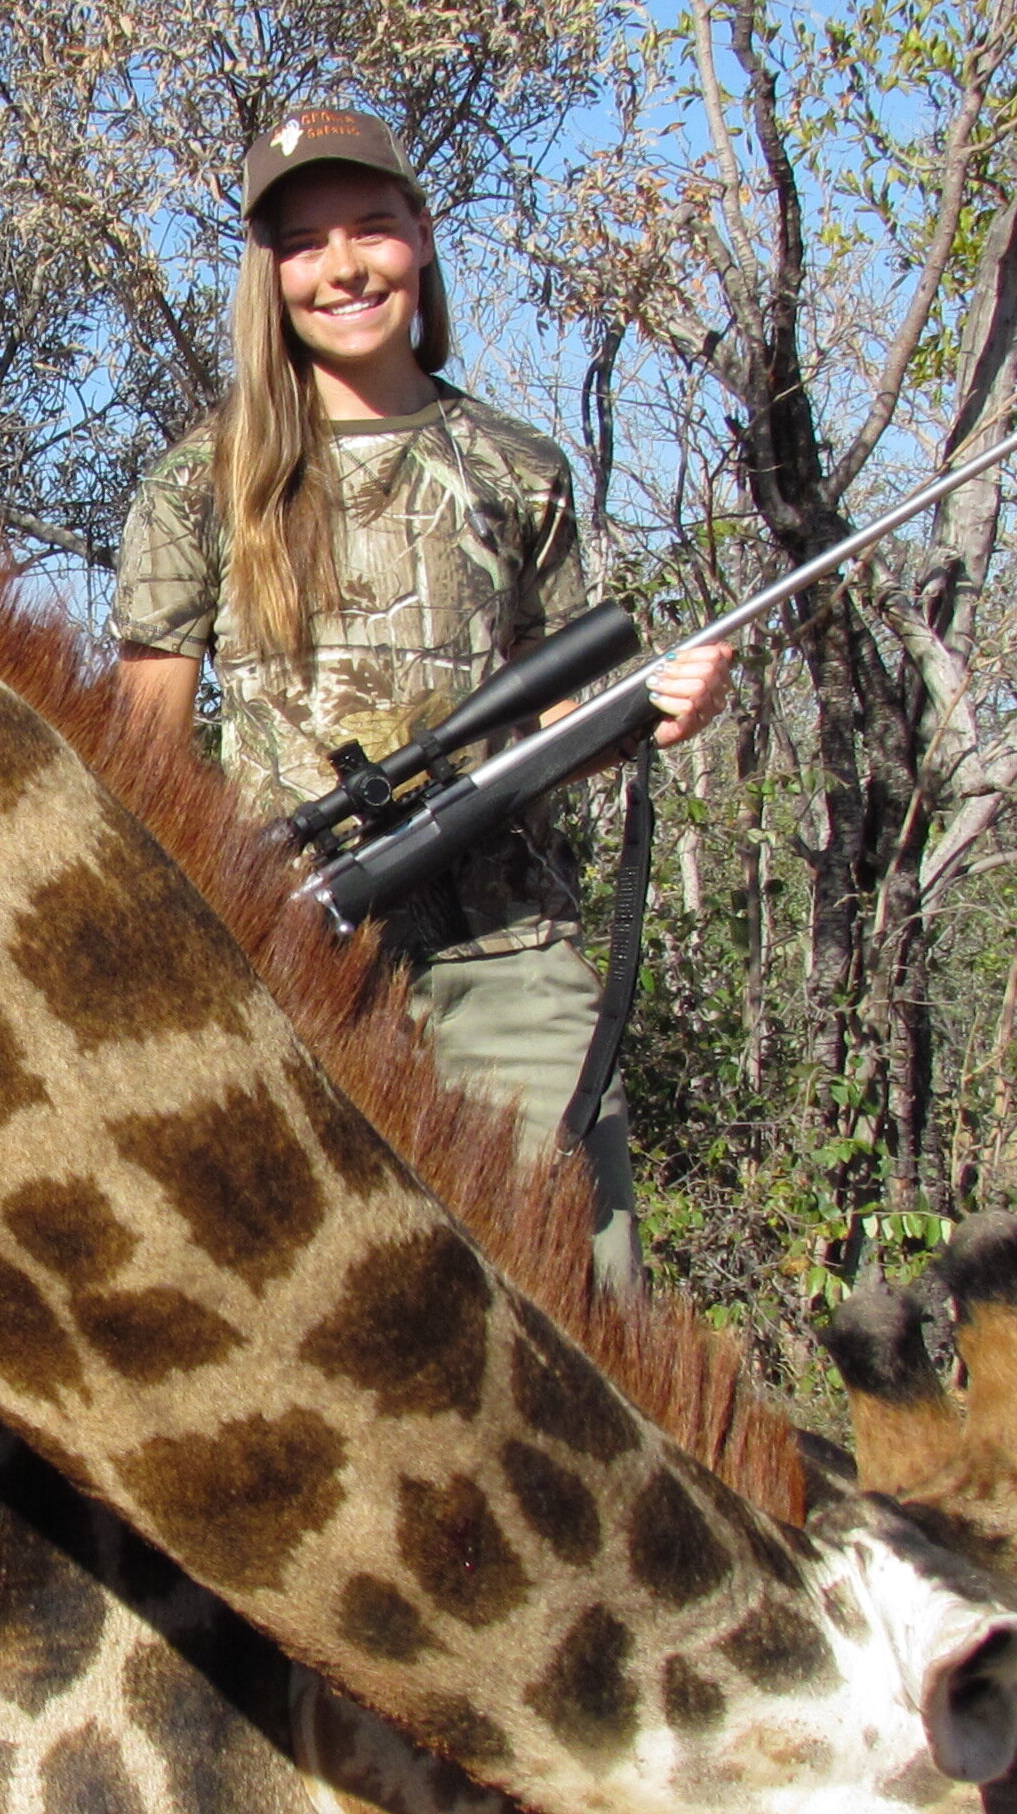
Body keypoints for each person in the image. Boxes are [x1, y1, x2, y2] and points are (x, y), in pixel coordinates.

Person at [114, 106, 727, 1280]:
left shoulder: (518, 466)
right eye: (304, 243)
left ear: (423, 237)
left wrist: (648, 709)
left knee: (582, 1305)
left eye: (371, 228)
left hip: (507, 949)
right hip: (292, 959)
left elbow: (551, 725)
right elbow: (145, 759)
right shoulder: (195, 483)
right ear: (269, 272)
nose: (342, 267)